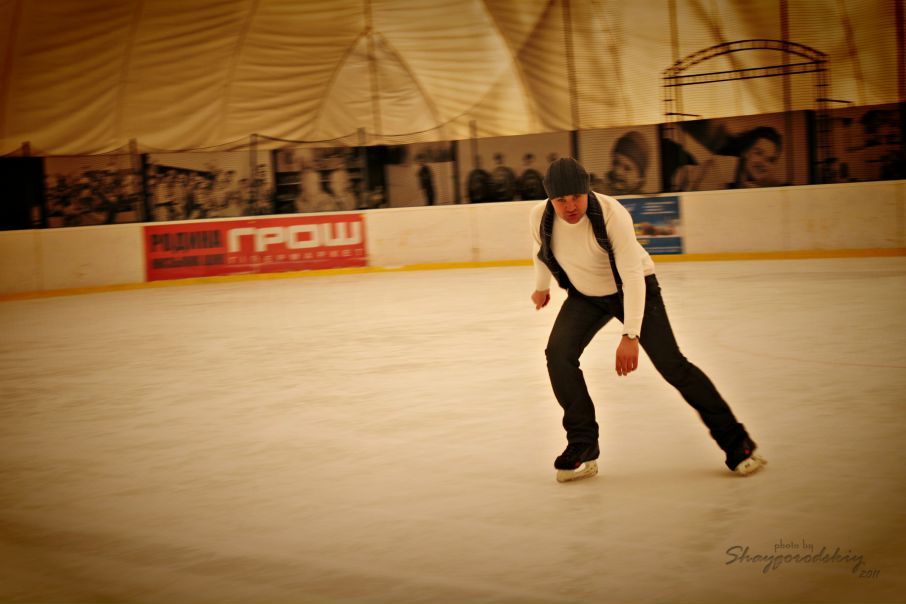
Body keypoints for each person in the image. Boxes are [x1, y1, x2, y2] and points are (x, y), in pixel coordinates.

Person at [529, 157, 766, 482]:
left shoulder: (611, 214)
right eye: (560, 200)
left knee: (673, 366)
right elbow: (540, 250)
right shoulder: (540, 217)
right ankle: (583, 445)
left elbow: (632, 276)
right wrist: (541, 287)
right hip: (586, 296)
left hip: (634, 288)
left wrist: (630, 334)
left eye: (576, 197)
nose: (570, 206)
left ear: (587, 191)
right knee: (558, 355)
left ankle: (739, 444)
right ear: (550, 199)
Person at [603, 131, 649, 196]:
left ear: (639, 178)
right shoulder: (603, 190)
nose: (618, 171)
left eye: (627, 168)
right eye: (615, 163)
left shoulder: (642, 199)